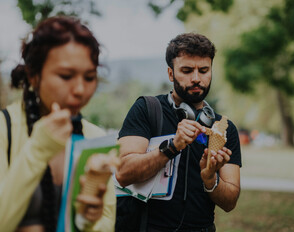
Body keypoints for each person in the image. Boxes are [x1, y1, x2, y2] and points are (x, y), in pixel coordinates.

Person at [116, 33, 241, 231]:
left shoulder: (223, 128)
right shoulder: (147, 109)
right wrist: (173, 146)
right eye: (187, 70)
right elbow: (123, 172)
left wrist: (211, 180)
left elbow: (230, 201)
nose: (196, 78)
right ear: (171, 73)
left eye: (204, 70)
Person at [0, 16, 116, 231]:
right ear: (34, 76)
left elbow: (107, 223)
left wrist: (88, 221)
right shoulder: (4, 129)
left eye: (89, 77)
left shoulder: (95, 138)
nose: (80, 90)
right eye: (65, 76)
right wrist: (39, 148)